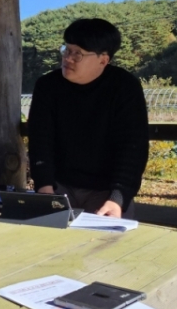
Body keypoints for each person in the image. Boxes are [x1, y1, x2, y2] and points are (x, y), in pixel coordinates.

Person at [26, 18, 149, 217]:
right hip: (59, 187)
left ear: (103, 60)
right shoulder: (47, 86)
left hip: (106, 190)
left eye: (78, 54)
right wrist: (44, 187)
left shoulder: (124, 87)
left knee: (108, 245)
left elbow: (133, 147)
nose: (68, 58)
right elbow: (41, 139)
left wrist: (118, 198)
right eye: (67, 49)